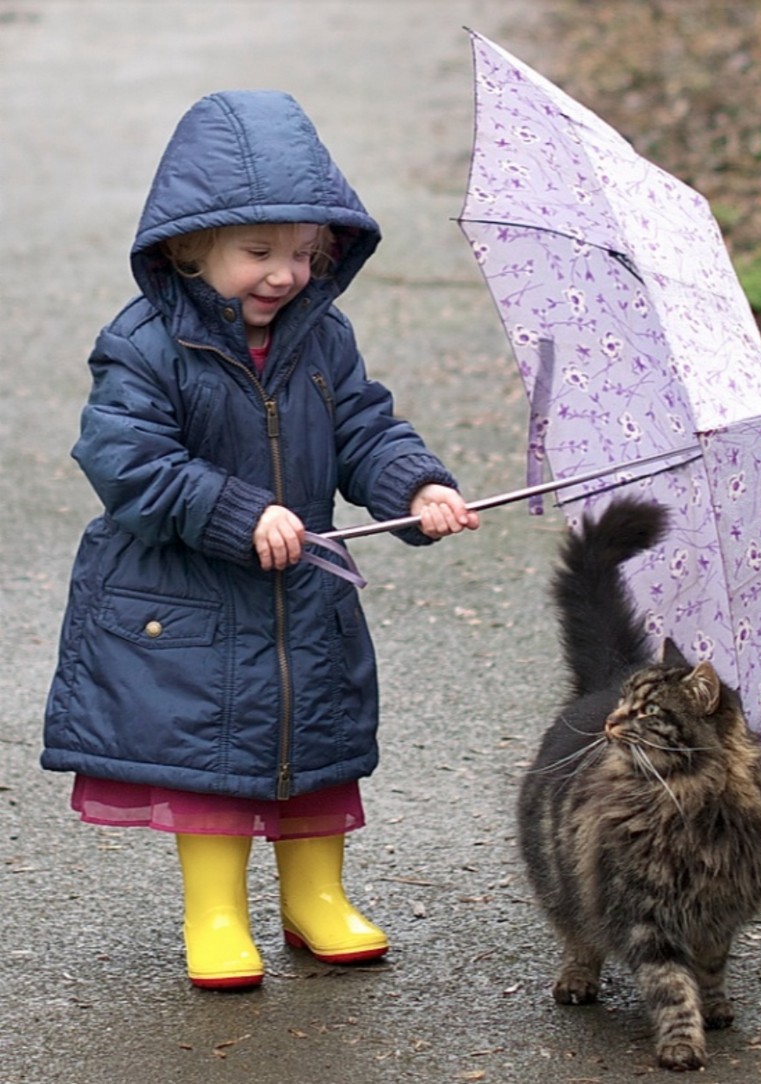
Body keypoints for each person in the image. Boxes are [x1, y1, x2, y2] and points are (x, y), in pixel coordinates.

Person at [42, 89, 479, 990]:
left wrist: (420, 484)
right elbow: (126, 459)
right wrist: (237, 513)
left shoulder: (323, 337)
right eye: (258, 253)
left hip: (302, 590)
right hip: (189, 596)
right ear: (186, 249)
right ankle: (216, 914)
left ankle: (316, 897)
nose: (284, 274)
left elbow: (364, 426)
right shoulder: (143, 346)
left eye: (304, 253)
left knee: (314, 748)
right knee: (211, 760)